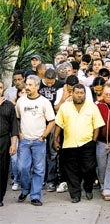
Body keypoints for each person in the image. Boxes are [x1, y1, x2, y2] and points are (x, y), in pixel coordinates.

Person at [53, 83, 105, 203]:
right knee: (71, 171)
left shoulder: (92, 107)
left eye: (82, 93)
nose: (79, 95)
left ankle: (88, 188)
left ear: (85, 94)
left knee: (89, 168)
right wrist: (55, 140)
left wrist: (93, 140)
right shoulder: (65, 107)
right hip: (69, 144)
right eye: (77, 93)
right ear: (72, 93)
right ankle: (75, 195)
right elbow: (58, 124)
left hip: (87, 143)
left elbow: (97, 125)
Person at [15, 75, 56, 206]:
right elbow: (16, 118)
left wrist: (43, 136)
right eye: (26, 84)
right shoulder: (21, 101)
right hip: (24, 141)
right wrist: (19, 133)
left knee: (39, 169)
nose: (27, 87)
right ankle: (26, 189)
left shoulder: (44, 102)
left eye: (30, 85)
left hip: (39, 141)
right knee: (22, 167)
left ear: (37, 86)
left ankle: (35, 196)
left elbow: (52, 121)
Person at [0, 80, 18, 207]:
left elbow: (14, 126)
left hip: (4, 140)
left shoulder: (9, 105)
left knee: (3, 168)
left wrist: (14, 144)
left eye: (0, 88)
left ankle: (0, 196)